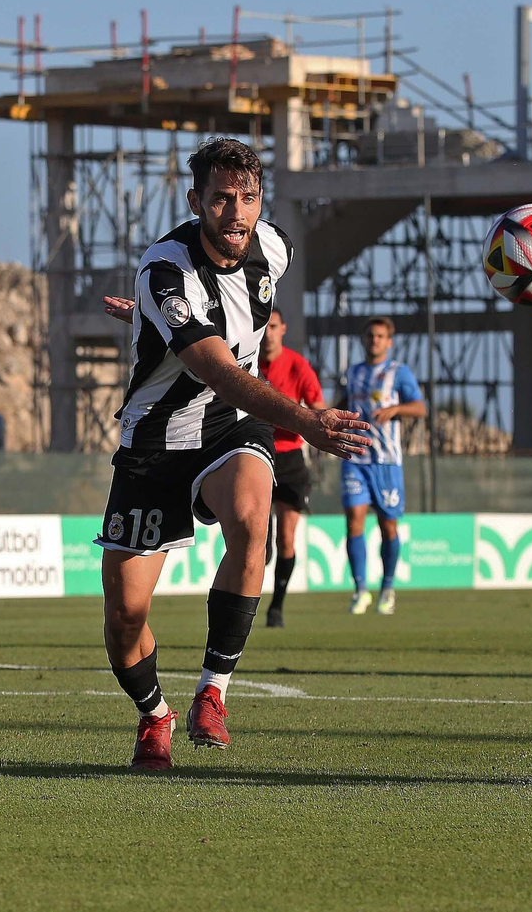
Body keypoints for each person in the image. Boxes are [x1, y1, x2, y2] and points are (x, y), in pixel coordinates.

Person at [95, 138, 370, 770]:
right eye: (221, 199)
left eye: (248, 197)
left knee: (254, 522)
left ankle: (213, 690)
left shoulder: (274, 246)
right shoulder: (164, 269)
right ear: (196, 202)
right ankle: (154, 714)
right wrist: (305, 419)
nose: (236, 212)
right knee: (124, 615)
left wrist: (151, 322)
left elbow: (231, 339)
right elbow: (213, 364)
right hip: (155, 442)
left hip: (231, 427)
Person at [338, 317, 427, 615]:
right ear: (364, 340)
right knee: (354, 519)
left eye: (380, 336)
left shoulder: (398, 373)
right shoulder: (352, 373)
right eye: (370, 336)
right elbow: (339, 404)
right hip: (356, 458)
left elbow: (420, 407)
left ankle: (387, 588)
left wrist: (396, 409)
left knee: (388, 525)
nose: (374, 340)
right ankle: (360, 589)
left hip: (387, 462)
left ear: (389, 341)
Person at [256, 308, 325, 628]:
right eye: (264, 326)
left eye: (274, 326)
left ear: (283, 328)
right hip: (255, 452)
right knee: (256, 542)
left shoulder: (298, 365)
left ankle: (276, 608)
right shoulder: (248, 361)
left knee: (287, 538)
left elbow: (319, 408)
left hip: (290, 458)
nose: (268, 333)